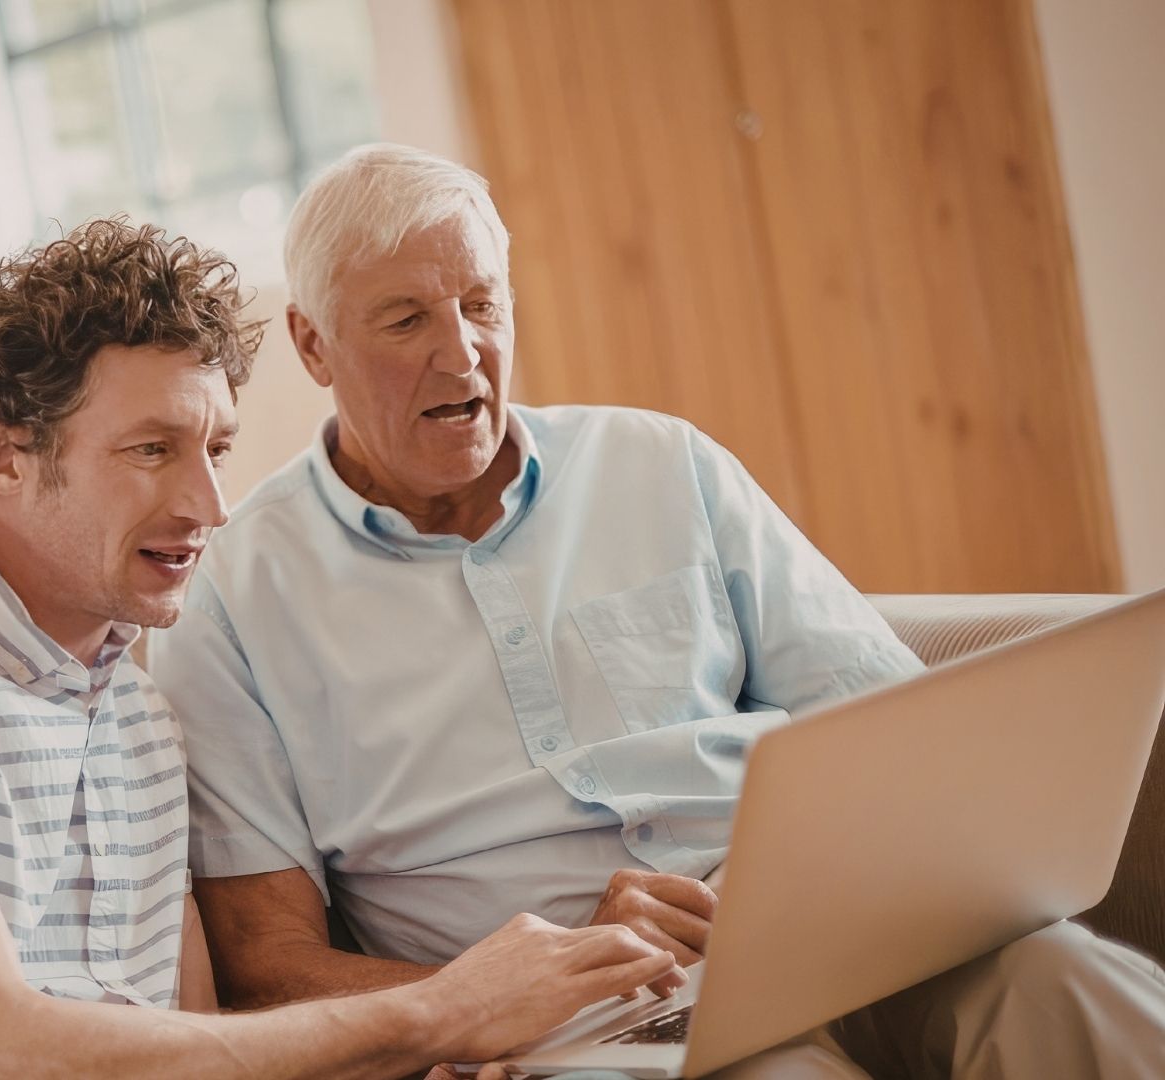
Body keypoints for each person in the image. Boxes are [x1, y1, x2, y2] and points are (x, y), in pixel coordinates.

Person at [148, 144, 1165, 1078]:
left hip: (840, 932)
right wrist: (513, 983)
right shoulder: (232, 593)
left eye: (482, 305)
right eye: (406, 319)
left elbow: (894, 726)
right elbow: (267, 969)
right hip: (597, 1030)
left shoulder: (661, 464)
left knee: (1075, 986)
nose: (461, 356)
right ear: (314, 345)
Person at [0, 217, 687, 1080]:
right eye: (152, 450)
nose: (207, 505)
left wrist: (463, 1049)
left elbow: (204, 1049)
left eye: (217, 449)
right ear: (5, 454)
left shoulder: (136, 715)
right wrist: (437, 1013)